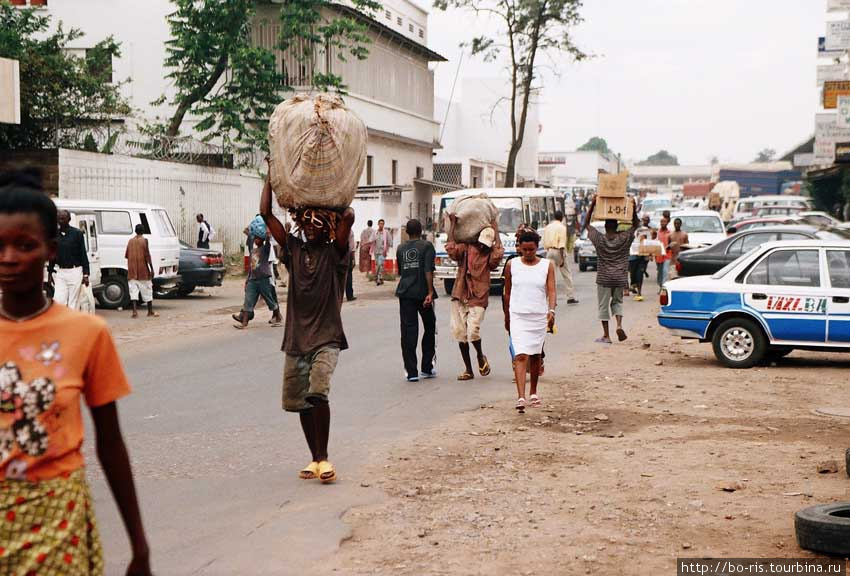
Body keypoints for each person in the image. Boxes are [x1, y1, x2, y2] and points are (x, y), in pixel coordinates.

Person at [0, 172, 152, 576]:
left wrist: (140, 547)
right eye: (0, 246)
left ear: (51, 250)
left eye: (25, 245)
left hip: (56, 522)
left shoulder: (86, 333)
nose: (9, 258)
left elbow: (111, 442)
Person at [260, 166, 355, 485]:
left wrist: (335, 199)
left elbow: (349, 217)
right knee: (299, 400)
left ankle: (325, 457)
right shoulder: (293, 250)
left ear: (327, 225)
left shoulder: (336, 254)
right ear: (301, 224)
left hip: (327, 337)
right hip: (296, 339)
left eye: (319, 224)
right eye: (308, 223)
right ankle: (314, 458)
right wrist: (271, 176)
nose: (312, 229)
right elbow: (265, 214)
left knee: (317, 392)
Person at [503, 229, 556, 413]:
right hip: (518, 316)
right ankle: (521, 396)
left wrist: (551, 310)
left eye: (531, 250)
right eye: (524, 250)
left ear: (537, 248)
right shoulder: (512, 265)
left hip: (538, 317)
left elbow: (551, 290)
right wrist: (507, 315)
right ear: (519, 249)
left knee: (535, 355)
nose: (527, 253)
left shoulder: (547, 265)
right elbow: (507, 292)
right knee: (520, 355)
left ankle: (533, 391)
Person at [446, 214, 504, 381]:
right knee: (459, 332)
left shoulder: (490, 255)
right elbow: (451, 248)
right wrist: (453, 225)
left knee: (473, 331)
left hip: (478, 295)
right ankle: (468, 369)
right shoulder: (465, 248)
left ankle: (479, 355)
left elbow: (498, 252)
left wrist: (496, 230)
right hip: (460, 292)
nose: (481, 246)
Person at [583, 196, 639, 344]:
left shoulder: (599, 239)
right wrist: (633, 207)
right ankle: (619, 325)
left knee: (603, 306)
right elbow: (636, 225)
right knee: (618, 302)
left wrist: (593, 204)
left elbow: (586, 224)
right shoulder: (624, 238)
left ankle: (606, 335)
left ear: (606, 227)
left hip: (604, 278)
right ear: (617, 227)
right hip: (620, 277)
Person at [395, 219, 437, 382]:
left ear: (407, 232)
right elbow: (428, 269)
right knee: (429, 327)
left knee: (408, 332)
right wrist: (430, 292)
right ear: (421, 231)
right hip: (422, 293)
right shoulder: (427, 246)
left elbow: (401, 271)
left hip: (405, 293)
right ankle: (427, 367)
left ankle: (411, 371)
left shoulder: (400, 248)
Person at [233, 218, 283, 329]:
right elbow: (251, 267)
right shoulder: (253, 250)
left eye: (258, 238)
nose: (256, 240)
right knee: (248, 301)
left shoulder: (265, 249)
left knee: (270, 299)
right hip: (253, 280)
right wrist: (247, 280)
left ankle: (278, 315)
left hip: (264, 279)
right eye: (255, 238)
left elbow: (269, 239)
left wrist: (268, 231)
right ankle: (244, 323)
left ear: (262, 239)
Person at [47, 210, 89, 310]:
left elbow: (83, 254)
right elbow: (52, 256)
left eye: (63, 218)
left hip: (75, 272)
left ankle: (71, 324)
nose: (60, 221)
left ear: (69, 219)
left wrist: (86, 274)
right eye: (58, 219)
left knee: (73, 303)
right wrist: (50, 273)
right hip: (61, 272)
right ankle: (60, 323)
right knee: (58, 300)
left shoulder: (77, 234)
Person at [542, 210, 578, 305]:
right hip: (559, 251)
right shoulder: (562, 227)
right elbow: (562, 244)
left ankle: (550, 299)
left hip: (549, 251)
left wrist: (548, 250)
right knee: (566, 274)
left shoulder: (548, 227)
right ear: (562, 218)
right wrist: (562, 259)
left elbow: (544, 241)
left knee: (550, 276)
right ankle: (570, 297)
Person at [125, 224, 158, 318]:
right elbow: (147, 255)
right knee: (147, 290)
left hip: (132, 270)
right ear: (143, 231)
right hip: (142, 270)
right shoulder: (145, 241)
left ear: (135, 231)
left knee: (133, 291)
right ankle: (150, 311)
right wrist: (151, 269)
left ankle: (134, 312)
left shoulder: (130, 241)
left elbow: (127, 255)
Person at [629, 215, 653, 302]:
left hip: (643, 255)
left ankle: (639, 293)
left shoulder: (645, 230)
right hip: (632, 255)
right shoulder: (630, 230)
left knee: (640, 273)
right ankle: (633, 284)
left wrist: (650, 253)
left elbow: (649, 241)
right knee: (633, 274)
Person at [372, 219, 392, 285]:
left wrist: (386, 248)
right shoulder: (375, 232)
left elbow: (390, 242)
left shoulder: (386, 232)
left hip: (383, 252)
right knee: (377, 265)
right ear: (378, 224)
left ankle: (378, 279)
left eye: (382, 223)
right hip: (376, 251)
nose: (381, 225)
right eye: (380, 223)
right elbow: (371, 241)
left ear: (383, 224)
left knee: (380, 265)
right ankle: (379, 277)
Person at [655, 216, 672, 291]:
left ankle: (663, 289)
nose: (662, 223)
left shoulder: (670, 233)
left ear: (667, 223)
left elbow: (672, 243)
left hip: (667, 255)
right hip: (658, 255)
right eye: (661, 222)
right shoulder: (657, 233)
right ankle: (660, 285)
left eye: (664, 222)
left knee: (665, 272)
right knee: (660, 272)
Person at [345, 228, 357, 302]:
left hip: (346, 254)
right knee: (349, 276)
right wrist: (353, 258)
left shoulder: (347, 229)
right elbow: (351, 246)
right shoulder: (348, 230)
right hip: (348, 254)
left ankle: (349, 295)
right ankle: (349, 295)